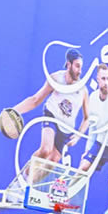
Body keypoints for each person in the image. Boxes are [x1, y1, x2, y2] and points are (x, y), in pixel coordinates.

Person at [7, 47, 91, 186]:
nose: (80, 71)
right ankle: (21, 180)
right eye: (77, 66)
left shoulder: (83, 90)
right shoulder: (56, 78)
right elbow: (35, 100)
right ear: (68, 64)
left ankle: (26, 186)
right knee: (46, 149)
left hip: (66, 128)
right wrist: (14, 111)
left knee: (52, 162)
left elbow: (87, 118)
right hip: (52, 116)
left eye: (81, 67)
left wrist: (78, 136)